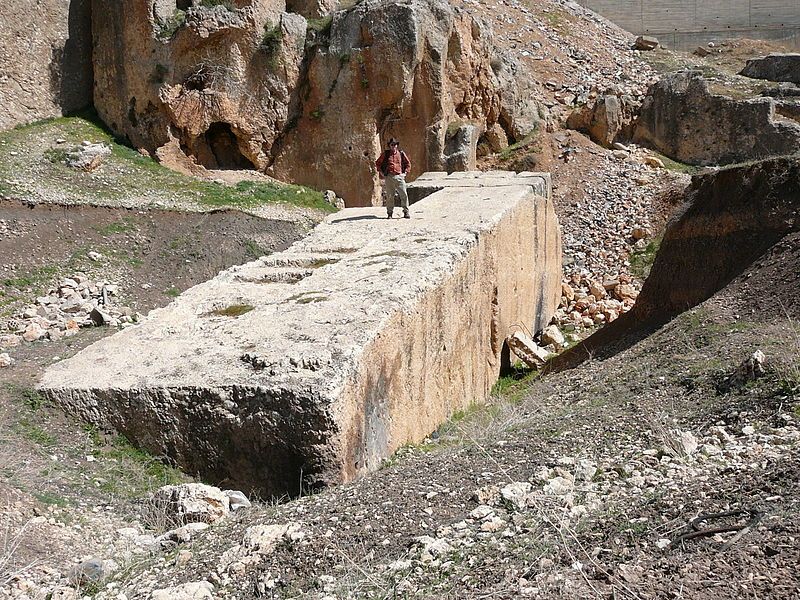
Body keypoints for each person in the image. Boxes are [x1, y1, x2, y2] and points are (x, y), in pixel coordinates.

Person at [375, 138, 411, 219]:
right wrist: (381, 173)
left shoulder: (401, 153)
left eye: (395, 144)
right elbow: (378, 163)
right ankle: (390, 213)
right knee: (390, 196)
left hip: (399, 176)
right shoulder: (386, 154)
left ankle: (406, 211)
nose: (393, 146)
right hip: (389, 177)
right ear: (389, 146)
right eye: (392, 145)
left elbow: (408, 163)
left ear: (397, 145)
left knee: (404, 194)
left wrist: (405, 173)